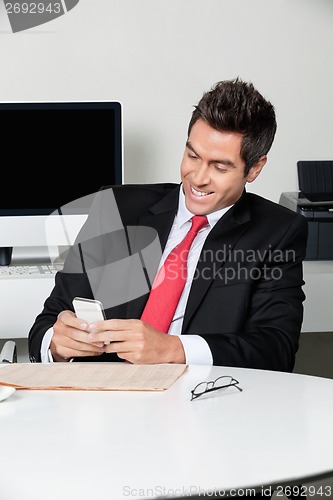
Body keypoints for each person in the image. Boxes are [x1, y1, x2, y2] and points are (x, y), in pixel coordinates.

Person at [28, 77, 308, 370]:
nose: (198, 178)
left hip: (202, 403)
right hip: (104, 401)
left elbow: (276, 349)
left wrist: (172, 348)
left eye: (219, 167)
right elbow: (48, 323)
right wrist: (56, 344)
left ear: (254, 168)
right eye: (192, 156)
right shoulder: (117, 208)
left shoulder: (277, 232)